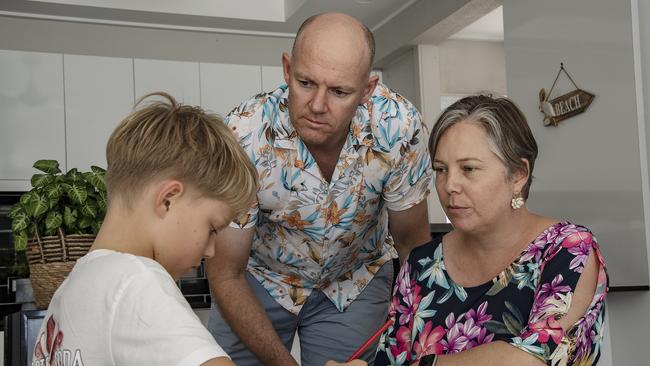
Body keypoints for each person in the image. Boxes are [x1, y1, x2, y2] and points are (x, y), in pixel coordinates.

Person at [205, 12, 433, 366]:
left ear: (367, 90)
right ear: (286, 69)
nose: (317, 106)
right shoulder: (244, 134)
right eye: (306, 82)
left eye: (340, 91)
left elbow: (411, 246)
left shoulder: (399, 127)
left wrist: (420, 337)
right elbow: (225, 271)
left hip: (355, 279)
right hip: (258, 279)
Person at [375, 95, 608, 366]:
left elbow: (535, 357)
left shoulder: (566, 248)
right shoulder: (422, 264)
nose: (450, 185)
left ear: (518, 175)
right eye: (440, 169)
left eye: (469, 169)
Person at [30, 92, 258, 365]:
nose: (210, 251)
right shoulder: (137, 283)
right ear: (168, 199)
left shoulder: (70, 290)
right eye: (212, 228)